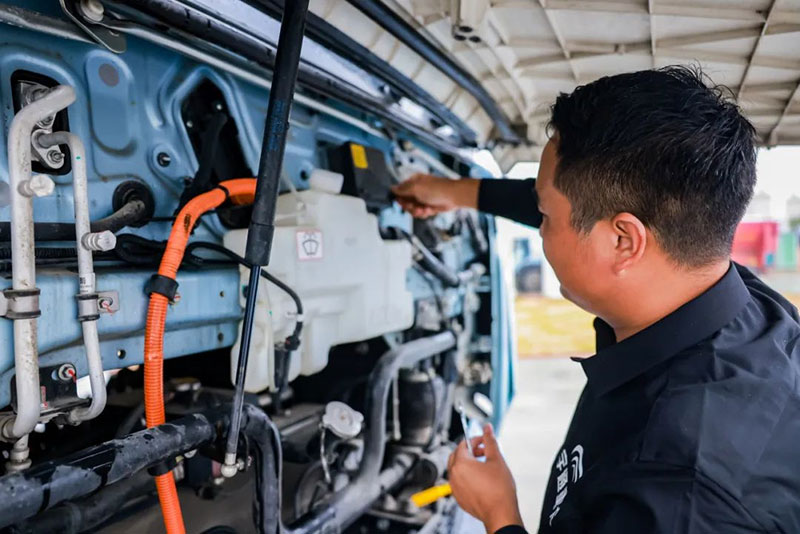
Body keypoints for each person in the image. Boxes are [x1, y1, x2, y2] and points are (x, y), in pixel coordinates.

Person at [392, 67, 800, 534]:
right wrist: (453, 192)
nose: (541, 227)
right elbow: (580, 205)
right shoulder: (737, 295)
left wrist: (499, 514)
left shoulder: (679, 494)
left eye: (545, 216)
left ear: (624, 242)